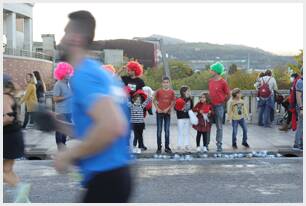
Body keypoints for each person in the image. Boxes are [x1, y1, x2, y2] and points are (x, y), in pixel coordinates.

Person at [53, 10, 132, 203]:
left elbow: (112, 127)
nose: (61, 41)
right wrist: (58, 125)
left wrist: (68, 155)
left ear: (75, 39)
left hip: (105, 179)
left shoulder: (83, 76)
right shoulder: (100, 72)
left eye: (65, 33)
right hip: (117, 175)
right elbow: (97, 128)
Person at [3, 74, 31, 203]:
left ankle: (20, 188)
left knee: (4, 171)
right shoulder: (10, 96)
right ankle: (24, 199)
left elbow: (8, 118)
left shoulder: (3, 97)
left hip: (8, 137)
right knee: (7, 170)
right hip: (14, 135)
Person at [208, 62, 230, 152]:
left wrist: (223, 102)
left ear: (216, 71)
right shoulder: (210, 81)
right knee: (208, 126)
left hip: (219, 106)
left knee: (219, 126)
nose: (210, 71)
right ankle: (206, 143)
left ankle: (219, 144)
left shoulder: (223, 82)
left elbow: (228, 94)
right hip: (210, 106)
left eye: (212, 70)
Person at [53, 62, 74, 151]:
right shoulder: (58, 84)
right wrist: (67, 96)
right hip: (61, 111)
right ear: (61, 73)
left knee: (65, 129)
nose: (68, 74)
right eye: (66, 72)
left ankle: (64, 145)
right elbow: (55, 98)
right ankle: (60, 147)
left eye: (69, 72)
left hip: (69, 111)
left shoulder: (68, 84)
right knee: (59, 130)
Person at [153, 76, 176, 154]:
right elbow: (154, 100)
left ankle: (167, 147)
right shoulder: (158, 91)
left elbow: (173, 102)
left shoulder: (172, 92)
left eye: (167, 82)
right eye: (164, 82)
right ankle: (159, 147)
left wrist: (168, 108)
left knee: (167, 131)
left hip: (167, 113)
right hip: (159, 113)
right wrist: (157, 108)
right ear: (162, 83)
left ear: (169, 83)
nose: (165, 84)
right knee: (159, 131)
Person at [175, 85, 194, 152]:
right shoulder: (178, 99)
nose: (189, 92)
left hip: (187, 117)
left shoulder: (190, 99)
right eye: (187, 91)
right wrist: (181, 109)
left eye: (189, 91)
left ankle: (186, 145)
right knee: (180, 131)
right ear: (183, 92)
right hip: (180, 118)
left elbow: (192, 107)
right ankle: (179, 145)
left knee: (187, 132)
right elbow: (176, 108)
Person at [293, 68, 303, 150]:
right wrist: (301, 108)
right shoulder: (300, 82)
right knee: (301, 126)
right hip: (301, 107)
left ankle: (301, 143)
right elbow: (298, 96)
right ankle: (297, 144)